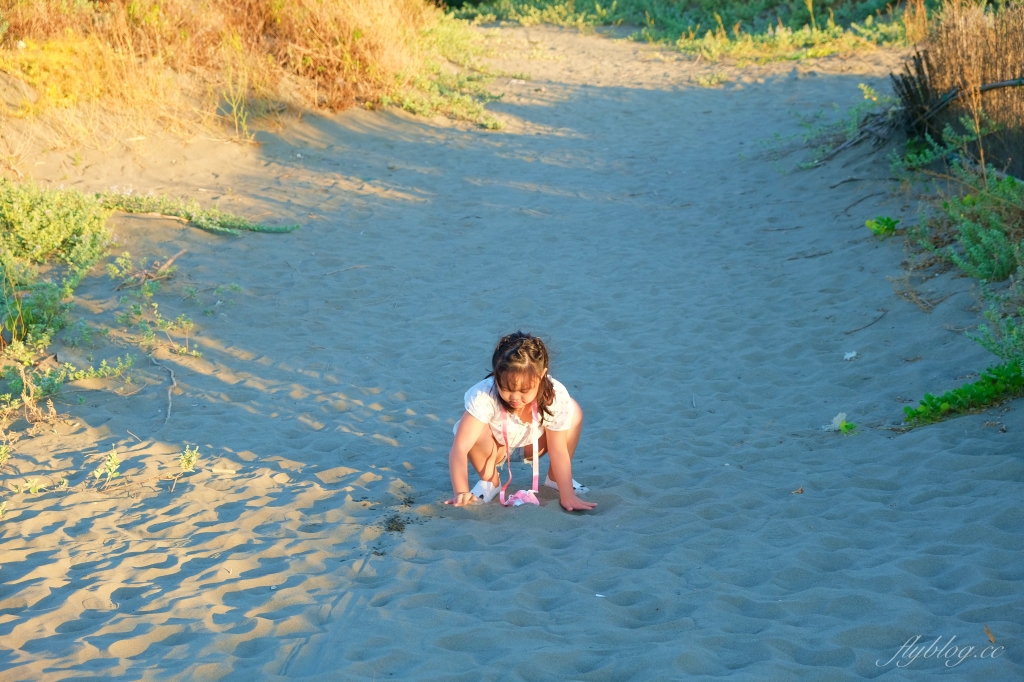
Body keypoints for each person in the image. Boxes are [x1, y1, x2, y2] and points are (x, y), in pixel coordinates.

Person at [447, 332, 597, 512]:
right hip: (496, 448)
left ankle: (555, 479)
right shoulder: (484, 395)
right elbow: (460, 447)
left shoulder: (553, 396)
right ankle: (489, 482)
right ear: (496, 375)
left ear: (542, 375)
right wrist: (461, 491)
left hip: (535, 445)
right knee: (469, 428)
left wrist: (568, 496)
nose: (515, 397)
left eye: (524, 390)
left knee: (573, 411)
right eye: (506, 388)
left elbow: (558, 449)